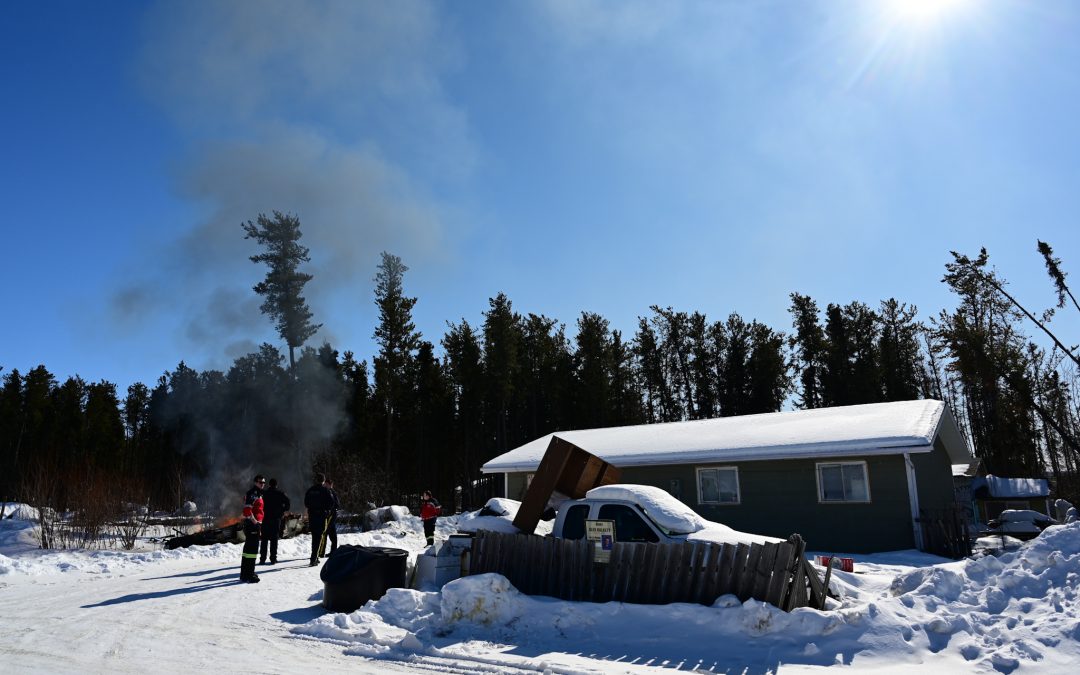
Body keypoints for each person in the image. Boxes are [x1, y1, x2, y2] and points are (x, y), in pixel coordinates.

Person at [304, 473, 335, 566]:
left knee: (314, 537)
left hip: (312, 516)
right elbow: (331, 502)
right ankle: (313, 559)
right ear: (323, 481)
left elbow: (306, 503)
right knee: (319, 537)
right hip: (321, 516)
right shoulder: (325, 490)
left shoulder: (310, 490)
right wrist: (327, 511)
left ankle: (315, 557)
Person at [239, 474, 265, 583]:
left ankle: (245, 574)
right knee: (252, 550)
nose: (262, 484)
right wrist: (254, 521)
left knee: (248, 550)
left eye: (263, 482)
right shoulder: (253, 494)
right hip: (252, 525)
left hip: (254, 524)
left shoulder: (259, 494)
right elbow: (247, 510)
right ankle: (249, 574)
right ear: (255, 482)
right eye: (260, 482)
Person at [260, 478, 290, 565]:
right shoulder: (281, 493)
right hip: (276, 519)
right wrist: (282, 510)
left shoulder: (264, 493)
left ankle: (262, 559)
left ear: (269, 485)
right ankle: (273, 559)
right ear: (276, 485)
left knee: (264, 539)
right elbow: (288, 504)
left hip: (265, 519)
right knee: (274, 539)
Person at [323, 478, 339, 558]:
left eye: (326, 484)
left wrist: (331, 510)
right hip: (328, 515)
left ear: (330, 485)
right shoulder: (325, 492)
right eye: (324, 484)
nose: (324, 485)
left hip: (332, 515)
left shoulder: (332, 493)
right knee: (331, 533)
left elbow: (337, 504)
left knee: (330, 533)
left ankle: (333, 551)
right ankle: (333, 551)